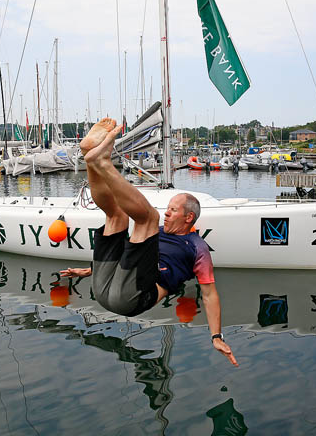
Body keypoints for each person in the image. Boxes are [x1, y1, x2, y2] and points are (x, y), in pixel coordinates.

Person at [60, 118, 238, 366]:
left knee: (147, 219)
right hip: (103, 288)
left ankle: (102, 162)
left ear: (188, 217)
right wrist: (91, 270)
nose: (166, 212)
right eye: (168, 208)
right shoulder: (161, 232)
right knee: (116, 216)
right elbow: (131, 258)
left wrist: (216, 336)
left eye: (173, 210)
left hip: (133, 297)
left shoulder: (198, 247)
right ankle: (90, 154)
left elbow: (209, 294)